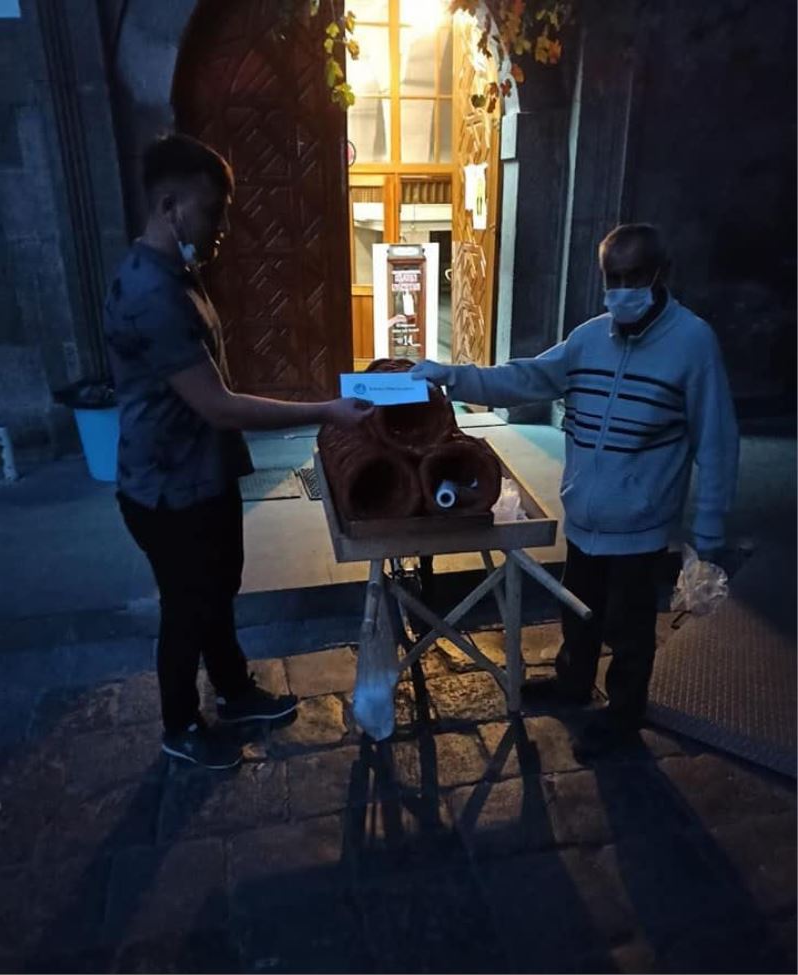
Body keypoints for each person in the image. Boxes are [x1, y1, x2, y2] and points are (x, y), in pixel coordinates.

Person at [411, 223, 739, 759]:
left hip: (640, 524)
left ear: (662, 274)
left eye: (635, 276)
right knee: (578, 609)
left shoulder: (693, 344)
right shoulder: (589, 340)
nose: (623, 289)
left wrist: (708, 531)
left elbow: (717, 441)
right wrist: (451, 375)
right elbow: (524, 378)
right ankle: (572, 682)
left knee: (629, 627)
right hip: (586, 517)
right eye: (614, 277)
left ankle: (623, 716)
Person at [104, 134, 372, 769]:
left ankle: (233, 691)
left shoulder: (176, 274)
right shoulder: (150, 293)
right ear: (170, 207)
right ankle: (180, 726)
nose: (222, 228)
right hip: (167, 489)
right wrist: (326, 410)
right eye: (213, 211)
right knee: (187, 606)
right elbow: (218, 405)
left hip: (204, 475)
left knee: (217, 588)